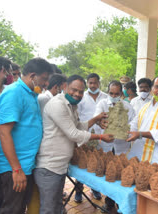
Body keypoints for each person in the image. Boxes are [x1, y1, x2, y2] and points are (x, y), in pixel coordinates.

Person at [34, 75, 114, 214]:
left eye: (80, 91)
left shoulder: (71, 106)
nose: (77, 94)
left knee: (57, 205)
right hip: (49, 166)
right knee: (48, 208)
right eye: (74, 90)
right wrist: (100, 136)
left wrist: (95, 119)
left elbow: (79, 126)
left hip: (59, 166)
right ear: (65, 87)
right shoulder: (57, 104)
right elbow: (74, 134)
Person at [0, 58, 53, 214]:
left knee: (19, 208)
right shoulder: (14, 93)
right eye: (44, 79)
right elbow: (4, 132)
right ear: (33, 75)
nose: (46, 84)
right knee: (12, 210)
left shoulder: (31, 94)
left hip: (25, 164)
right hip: (13, 167)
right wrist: (16, 169)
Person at [75, 73, 107, 202]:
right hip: (85, 134)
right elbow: (77, 116)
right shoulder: (81, 96)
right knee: (82, 162)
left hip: (101, 135)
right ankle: (78, 190)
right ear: (87, 83)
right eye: (90, 83)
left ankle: (95, 189)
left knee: (97, 162)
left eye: (95, 82)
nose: (93, 85)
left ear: (99, 83)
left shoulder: (105, 97)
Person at [95, 80, 135, 154]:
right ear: (108, 92)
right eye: (111, 93)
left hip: (122, 145)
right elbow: (96, 117)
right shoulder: (102, 104)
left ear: (121, 93)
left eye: (116, 94)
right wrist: (99, 122)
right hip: (105, 144)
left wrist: (125, 131)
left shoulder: (128, 107)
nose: (113, 96)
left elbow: (133, 123)